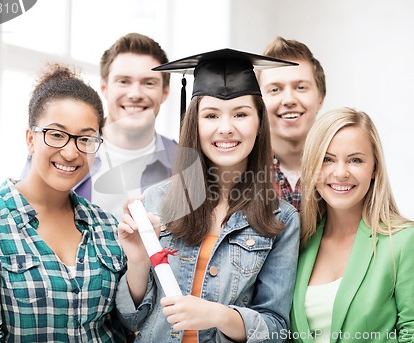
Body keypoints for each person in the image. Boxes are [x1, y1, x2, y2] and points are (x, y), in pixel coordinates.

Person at [115, 49, 301, 342]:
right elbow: (130, 319)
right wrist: (138, 261)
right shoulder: (156, 202)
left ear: (258, 123)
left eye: (240, 114)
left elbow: (276, 329)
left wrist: (218, 315)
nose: (225, 128)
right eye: (211, 115)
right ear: (195, 124)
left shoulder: (281, 220)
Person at [0, 65, 127, 341]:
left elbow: (126, 325)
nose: (71, 152)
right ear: (31, 139)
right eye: (57, 134)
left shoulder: (106, 225)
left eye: (85, 139)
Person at [290, 108, 414, 342]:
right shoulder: (297, 242)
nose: (340, 172)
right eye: (327, 159)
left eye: (355, 160)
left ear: (374, 169)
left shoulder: (405, 241)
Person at [77, 32, 177, 219]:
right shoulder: (66, 154)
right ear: (105, 88)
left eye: (149, 83)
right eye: (123, 81)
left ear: (165, 92)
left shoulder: (185, 165)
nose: (135, 94)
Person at [258, 37, 326, 212]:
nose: (288, 100)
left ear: (320, 98)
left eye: (301, 87)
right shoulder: (238, 173)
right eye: (275, 89)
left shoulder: (342, 171)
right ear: (257, 102)